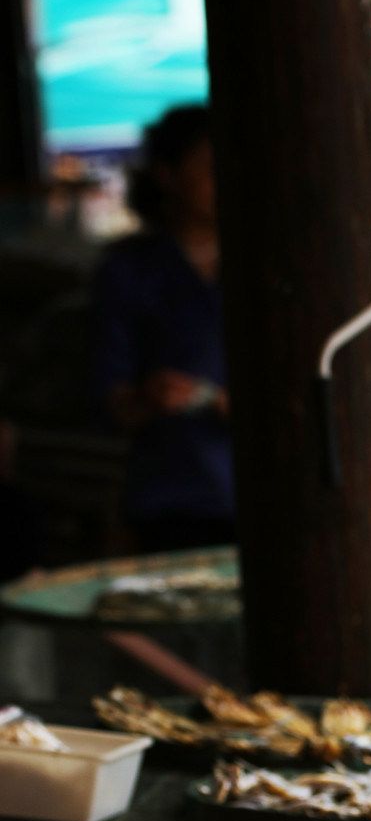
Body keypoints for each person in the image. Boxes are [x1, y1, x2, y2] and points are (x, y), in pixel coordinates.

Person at [91, 105, 233, 553]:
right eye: (209, 168)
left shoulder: (266, 264)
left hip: (264, 488)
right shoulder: (129, 271)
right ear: (168, 175)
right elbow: (112, 400)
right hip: (171, 500)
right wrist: (150, 397)